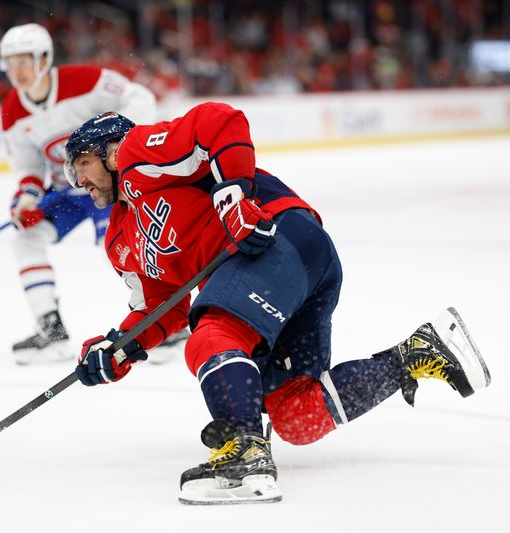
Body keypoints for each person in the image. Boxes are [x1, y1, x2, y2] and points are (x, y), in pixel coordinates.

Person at [62, 103, 492, 504]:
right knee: (294, 415)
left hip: (273, 238)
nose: (79, 180)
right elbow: (163, 310)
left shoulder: (140, 154)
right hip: (295, 271)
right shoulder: (120, 241)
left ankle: (246, 450)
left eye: (84, 163)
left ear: (113, 152)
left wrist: (232, 197)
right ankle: (414, 356)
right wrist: (119, 346)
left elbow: (220, 121)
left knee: (213, 332)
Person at [0, 23, 188, 364]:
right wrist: (26, 198)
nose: (18, 71)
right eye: (11, 63)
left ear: (43, 59)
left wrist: (128, 148)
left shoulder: (84, 81)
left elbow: (138, 97)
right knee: (23, 239)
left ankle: (167, 327)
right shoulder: (12, 108)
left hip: (109, 186)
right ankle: (51, 332)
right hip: (69, 192)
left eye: (24, 61)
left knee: (121, 247)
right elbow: (27, 165)